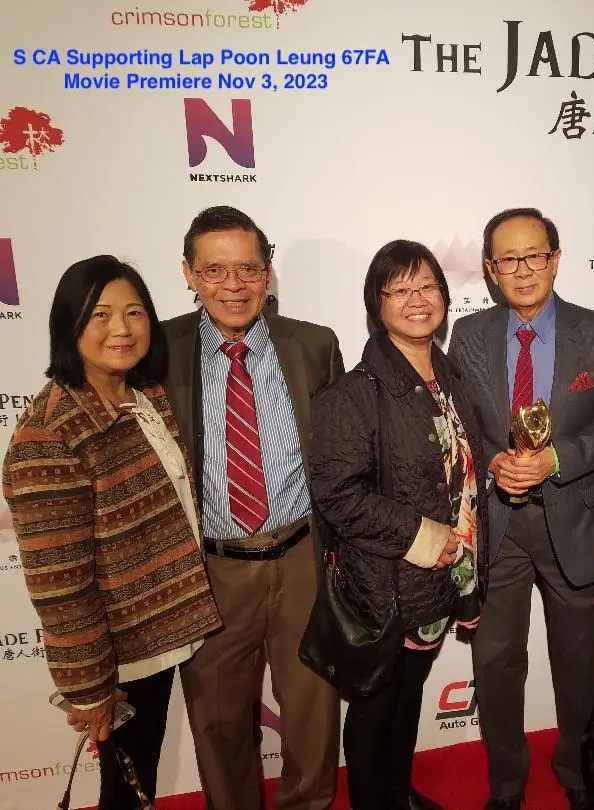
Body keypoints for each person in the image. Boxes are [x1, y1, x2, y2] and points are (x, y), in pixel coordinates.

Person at [3, 256, 222, 809]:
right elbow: (60, 586)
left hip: (164, 631)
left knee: (136, 777)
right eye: (99, 315)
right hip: (123, 655)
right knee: (126, 789)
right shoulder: (49, 433)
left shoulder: (141, 396)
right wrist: (90, 688)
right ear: (68, 326)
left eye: (133, 313)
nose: (121, 329)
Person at [447, 207, 594, 810]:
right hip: (498, 527)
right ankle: (506, 784)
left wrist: (557, 460)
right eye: (507, 260)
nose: (523, 271)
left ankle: (579, 778)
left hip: (573, 522)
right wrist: (496, 457)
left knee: (578, 665)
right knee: (497, 668)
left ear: (555, 257)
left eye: (535, 256)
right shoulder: (469, 337)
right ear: (491, 269)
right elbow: (461, 423)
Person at [165, 206, 344, 810]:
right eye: (215, 271)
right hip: (210, 568)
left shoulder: (314, 345)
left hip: (301, 557)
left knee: (314, 714)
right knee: (217, 721)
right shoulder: (158, 351)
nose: (234, 286)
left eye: (247, 268)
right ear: (189, 274)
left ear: (268, 273)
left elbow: (341, 461)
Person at [309, 240, 487, 810]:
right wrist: (420, 535)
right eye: (400, 289)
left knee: (408, 704)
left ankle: (397, 793)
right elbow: (337, 495)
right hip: (384, 587)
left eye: (428, 286)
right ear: (376, 304)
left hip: (437, 584)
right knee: (375, 710)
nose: (417, 299)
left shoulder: (453, 380)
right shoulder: (352, 396)